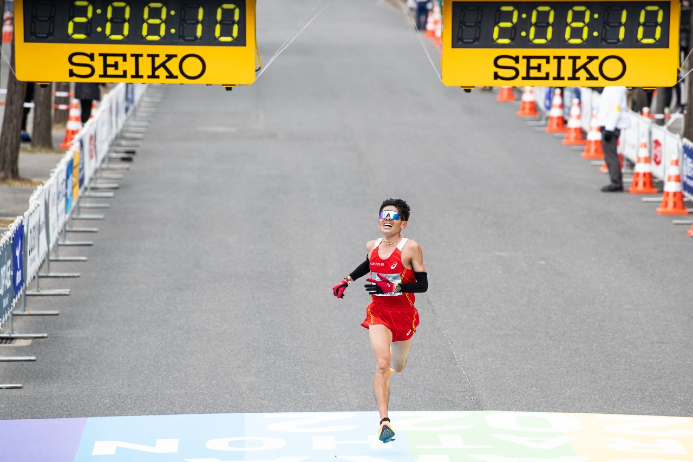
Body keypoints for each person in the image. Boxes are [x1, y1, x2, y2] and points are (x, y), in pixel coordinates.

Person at [332, 199, 428, 444]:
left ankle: (393, 370)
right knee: (382, 364)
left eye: (393, 216)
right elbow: (369, 263)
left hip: (404, 315)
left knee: (399, 364)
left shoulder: (411, 248)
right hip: (379, 313)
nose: (387, 219)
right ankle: (384, 421)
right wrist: (347, 280)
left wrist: (395, 285)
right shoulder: (372, 245)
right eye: (384, 214)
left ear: (403, 223)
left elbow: (423, 285)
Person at [597, 86, 630, 192]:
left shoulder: (615, 89)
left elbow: (616, 109)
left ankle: (616, 182)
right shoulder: (614, 88)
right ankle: (616, 181)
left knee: (610, 155)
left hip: (611, 125)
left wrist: (609, 128)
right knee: (610, 155)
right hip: (609, 124)